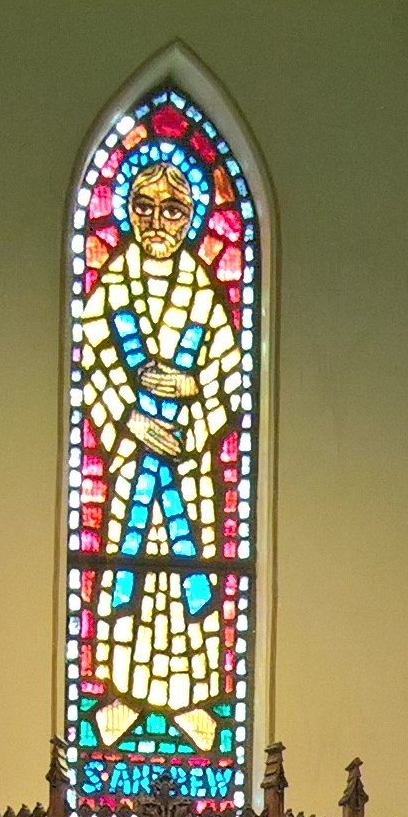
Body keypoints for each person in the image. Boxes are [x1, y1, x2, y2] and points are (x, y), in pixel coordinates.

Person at [78, 153, 242, 760]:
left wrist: (191, 399)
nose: (156, 223)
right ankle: (122, 697)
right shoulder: (112, 284)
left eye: (171, 211)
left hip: (190, 471)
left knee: (186, 584)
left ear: (189, 218)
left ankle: (193, 705)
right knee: (128, 582)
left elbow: (227, 375)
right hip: (129, 467)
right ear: (128, 211)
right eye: (143, 209)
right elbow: (95, 365)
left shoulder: (203, 292)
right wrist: (133, 421)